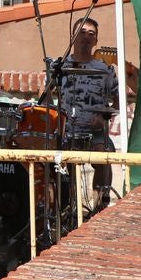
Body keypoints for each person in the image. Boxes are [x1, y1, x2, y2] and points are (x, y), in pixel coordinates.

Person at [58, 17, 132, 209]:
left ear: (96, 41)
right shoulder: (60, 67)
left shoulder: (105, 70)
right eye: (82, 32)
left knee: (106, 154)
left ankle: (99, 206)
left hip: (95, 131)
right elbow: (48, 97)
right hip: (65, 130)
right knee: (55, 162)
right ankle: (64, 208)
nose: (87, 37)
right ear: (73, 36)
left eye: (92, 34)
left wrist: (104, 117)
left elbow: (118, 99)